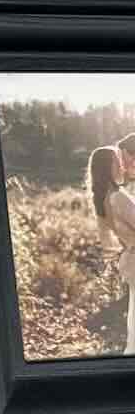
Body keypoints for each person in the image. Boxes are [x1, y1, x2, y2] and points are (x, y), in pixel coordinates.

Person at [89, 145, 135, 354]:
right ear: (108, 168)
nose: (122, 166)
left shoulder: (104, 198)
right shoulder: (118, 197)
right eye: (117, 162)